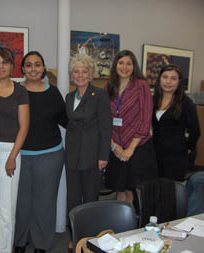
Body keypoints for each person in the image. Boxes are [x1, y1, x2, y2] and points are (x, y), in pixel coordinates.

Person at [14, 51, 68, 253]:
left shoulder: (53, 93)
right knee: (21, 203)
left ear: (43, 68)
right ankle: (19, 241)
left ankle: (41, 244)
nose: (33, 68)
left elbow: (66, 120)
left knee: (45, 204)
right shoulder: (15, 91)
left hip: (50, 155)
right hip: (19, 156)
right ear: (23, 69)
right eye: (29, 65)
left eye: (37, 64)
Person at [0, 47, 30, 253]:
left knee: (7, 208)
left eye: (5, 62)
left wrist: (12, 157)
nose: (1, 66)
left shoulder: (20, 91)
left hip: (11, 151)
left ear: (12, 66)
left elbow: (24, 126)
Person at [65, 54, 112, 252]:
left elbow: (106, 126)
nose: (80, 75)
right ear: (71, 74)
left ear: (90, 74)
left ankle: (91, 239)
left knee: (91, 198)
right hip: (72, 155)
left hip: (93, 155)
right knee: (72, 199)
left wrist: (103, 156)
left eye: (84, 71)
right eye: (76, 71)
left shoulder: (99, 95)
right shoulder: (69, 97)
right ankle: (75, 237)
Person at [105, 50, 158, 204]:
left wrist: (129, 149)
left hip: (138, 147)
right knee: (119, 189)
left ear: (134, 66)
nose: (124, 67)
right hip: (115, 147)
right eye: (121, 63)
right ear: (115, 65)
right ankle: (121, 224)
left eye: (129, 63)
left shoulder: (141, 86)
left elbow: (145, 119)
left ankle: (133, 225)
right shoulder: (108, 88)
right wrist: (114, 146)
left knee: (132, 191)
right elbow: (103, 120)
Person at [152, 64, 200, 181]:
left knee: (171, 192)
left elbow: (195, 130)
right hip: (154, 152)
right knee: (154, 188)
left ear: (179, 82)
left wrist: (188, 147)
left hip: (175, 155)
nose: (168, 81)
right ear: (160, 79)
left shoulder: (186, 103)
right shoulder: (154, 99)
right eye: (165, 77)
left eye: (173, 78)